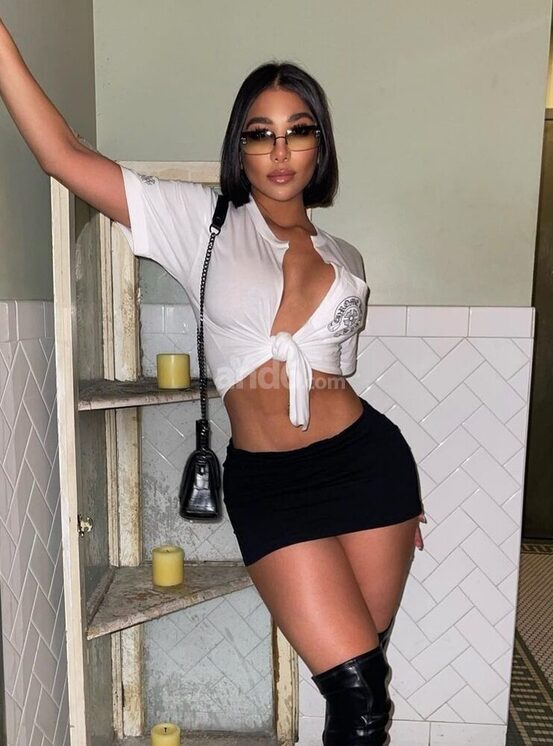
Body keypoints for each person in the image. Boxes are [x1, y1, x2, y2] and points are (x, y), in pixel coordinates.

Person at [0, 18, 426, 744]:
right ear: (240, 147)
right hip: (270, 485)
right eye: (261, 134)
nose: (280, 151)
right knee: (359, 700)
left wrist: (399, 495)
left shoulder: (345, 256)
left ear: (319, 144)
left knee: (362, 693)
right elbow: (62, 155)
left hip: (369, 471)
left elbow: (330, 378)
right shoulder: (201, 222)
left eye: (297, 131)